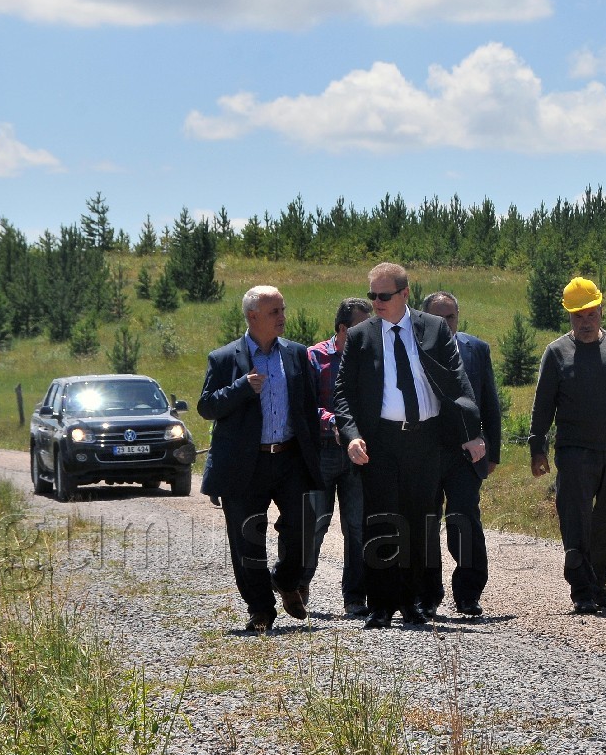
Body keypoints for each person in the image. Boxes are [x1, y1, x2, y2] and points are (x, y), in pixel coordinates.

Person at [333, 262, 487, 629]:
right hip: (381, 440)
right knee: (382, 522)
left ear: (404, 293)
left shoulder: (433, 329)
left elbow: (457, 383)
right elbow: (342, 394)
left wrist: (473, 431)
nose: (377, 301)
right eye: (372, 295)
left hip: (426, 437)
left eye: (383, 295)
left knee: (421, 522)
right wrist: (352, 435)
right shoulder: (361, 336)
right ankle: (381, 604)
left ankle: (413, 602)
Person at [198, 285, 323, 632]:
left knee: (303, 528)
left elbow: (307, 408)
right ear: (253, 317)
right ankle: (261, 610)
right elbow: (207, 406)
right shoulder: (224, 359)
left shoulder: (297, 354)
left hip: (289, 458)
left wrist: (313, 454)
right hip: (244, 464)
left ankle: (285, 580)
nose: (283, 317)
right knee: (247, 538)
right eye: (274, 312)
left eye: (283, 309)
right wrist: (240, 387)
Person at [529, 276, 606, 613]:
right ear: (569, 317)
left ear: (601, 309)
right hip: (574, 453)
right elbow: (543, 404)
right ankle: (582, 589)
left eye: (590, 314)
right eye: (577, 316)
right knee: (576, 521)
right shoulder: (557, 352)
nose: (585, 322)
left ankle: (598, 578)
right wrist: (537, 447)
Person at [419, 291, 501, 618]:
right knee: (425, 524)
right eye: (437, 318)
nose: (445, 323)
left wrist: (491, 450)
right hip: (423, 453)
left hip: (467, 455)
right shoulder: (410, 350)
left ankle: (468, 593)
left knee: (464, 520)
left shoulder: (476, 349)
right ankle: (427, 595)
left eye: (450, 316)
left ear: (458, 316)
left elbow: (489, 403)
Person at [304, 297, 373, 618]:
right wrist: (333, 421)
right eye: (363, 326)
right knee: (315, 524)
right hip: (323, 453)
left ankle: (355, 597)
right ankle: (299, 584)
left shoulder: (372, 358)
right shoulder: (315, 357)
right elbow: (303, 406)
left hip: (359, 453)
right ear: (343, 328)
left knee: (357, 528)